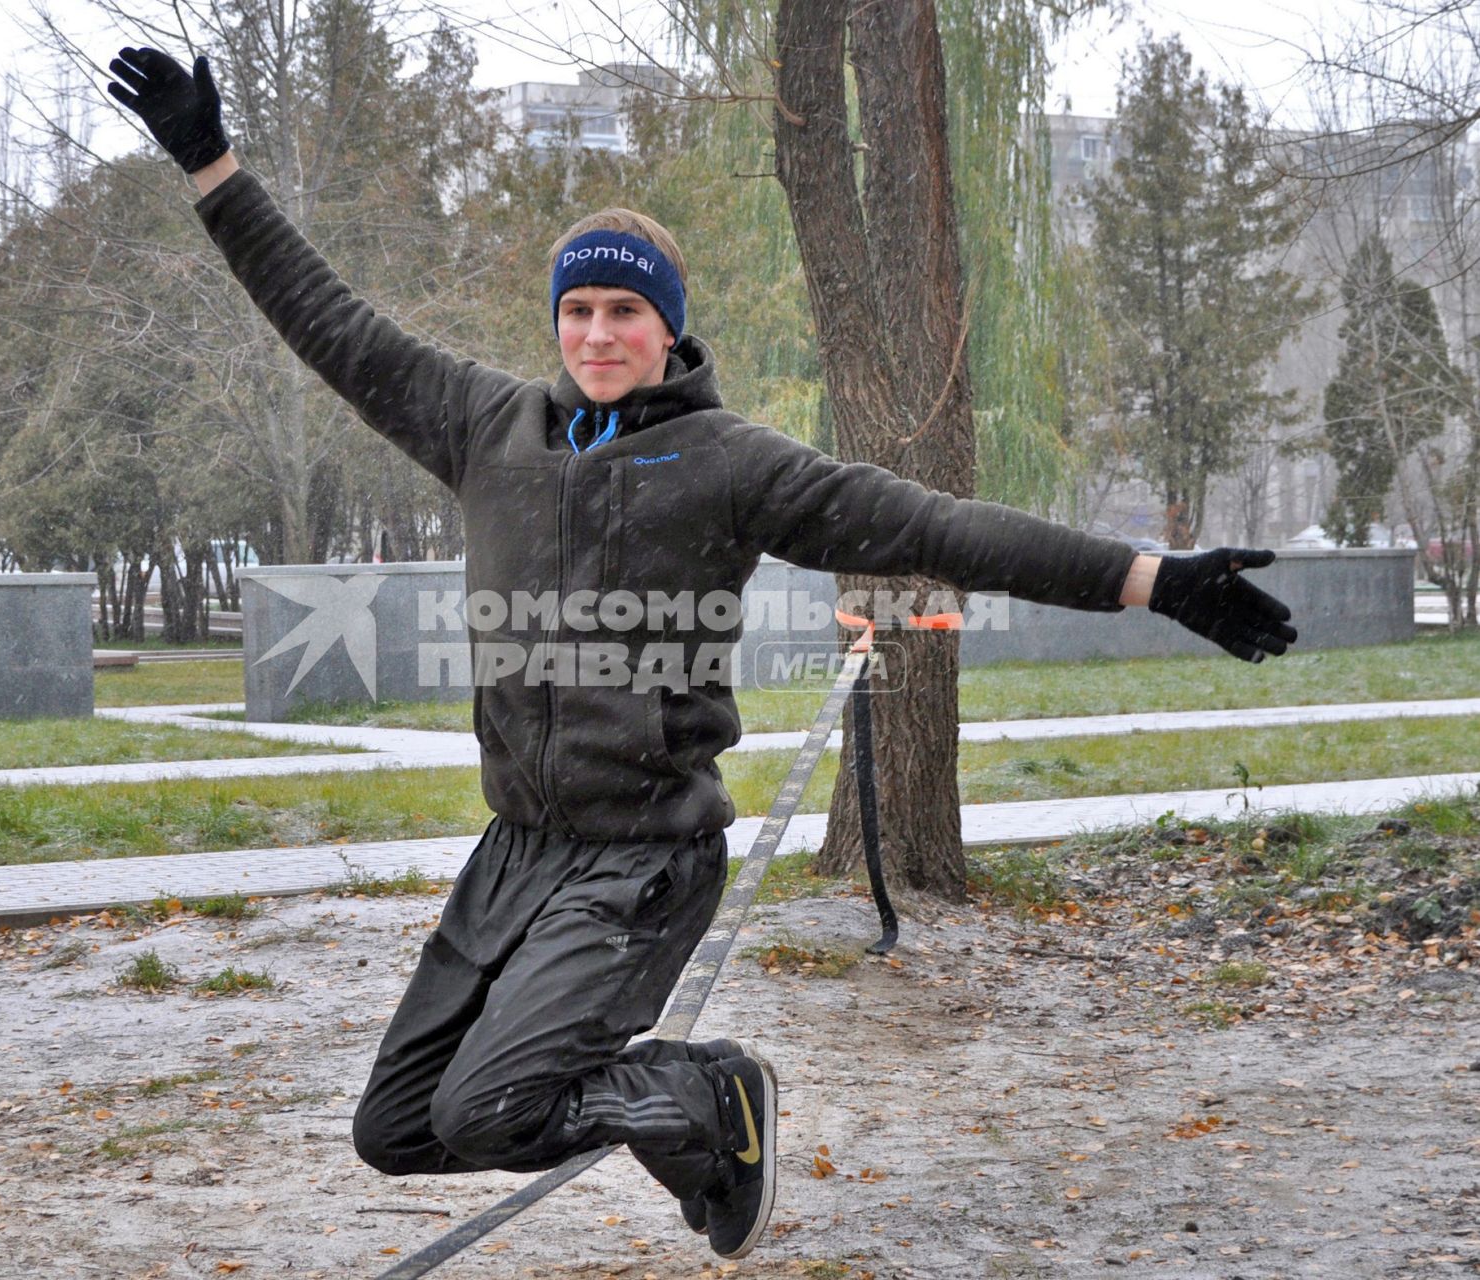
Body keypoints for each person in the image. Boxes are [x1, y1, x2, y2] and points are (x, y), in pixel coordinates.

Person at [105, 47, 1297, 1261]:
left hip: (641, 856)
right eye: (576, 308)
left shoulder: (727, 461)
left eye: (623, 309)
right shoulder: (483, 425)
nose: (596, 331)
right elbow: (331, 323)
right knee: (400, 1127)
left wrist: (1149, 579)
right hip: (514, 848)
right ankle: (695, 1108)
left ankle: (699, 1093)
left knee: (490, 1105)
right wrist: (211, 164)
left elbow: (932, 525)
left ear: (667, 324)